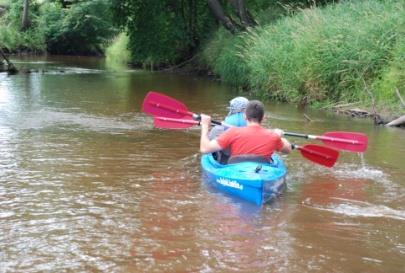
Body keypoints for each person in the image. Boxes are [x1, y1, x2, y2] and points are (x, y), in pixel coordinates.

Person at [200, 100, 292, 163]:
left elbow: (204, 149)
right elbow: (288, 150)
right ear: (263, 118)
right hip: (262, 173)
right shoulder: (273, 136)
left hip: (237, 174)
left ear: (245, 117)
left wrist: (205, 126)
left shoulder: (233, 132)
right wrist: (278, 135)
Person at [208, 96, 249, 163]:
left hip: (226, 163)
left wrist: (205, 128)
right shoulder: (253, 125)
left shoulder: (218, 129)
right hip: (249, 161)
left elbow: (207, 148)